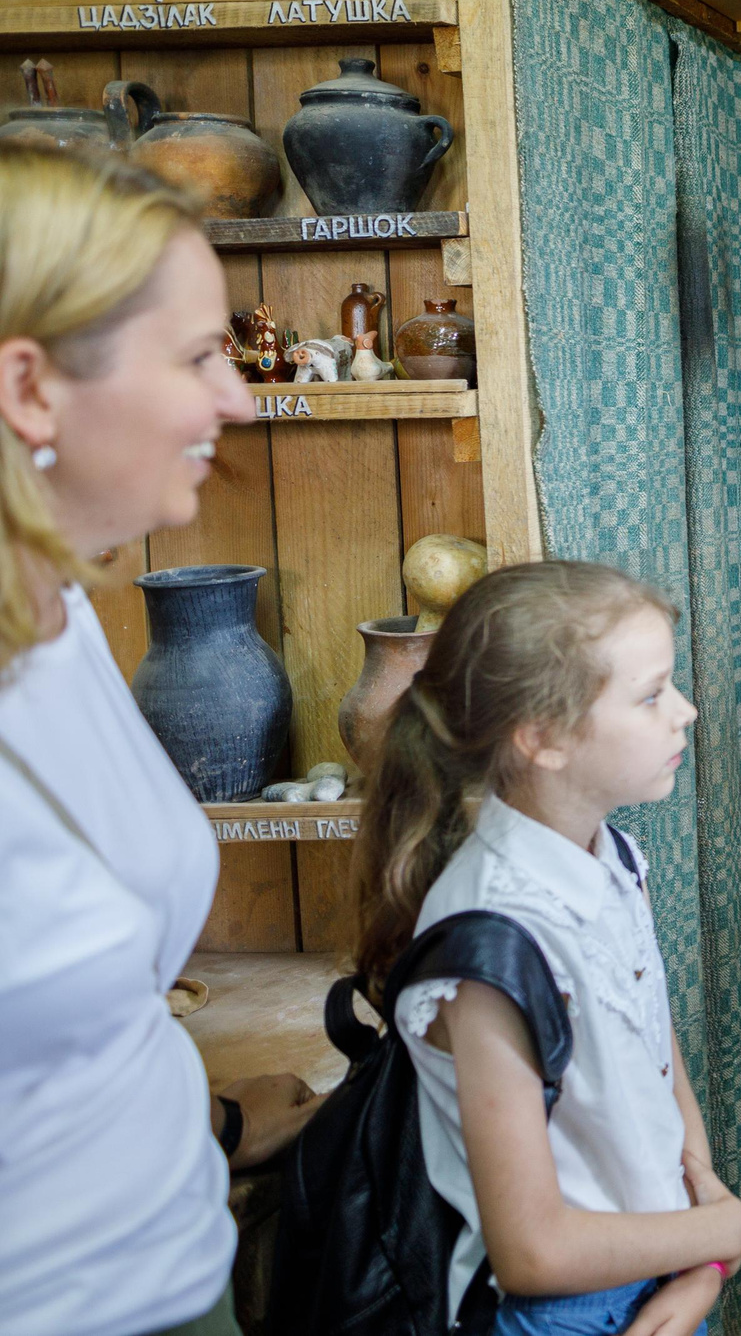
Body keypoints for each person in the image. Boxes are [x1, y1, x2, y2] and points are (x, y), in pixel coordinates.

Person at [0, 144, 320, 1336]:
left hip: (172, 1262)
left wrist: (211, 1125)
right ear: (32, 390)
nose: (237, 398)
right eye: (196, 356)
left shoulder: (65, 612)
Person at [350, 559, 741, 1336]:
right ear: (542, 738)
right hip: (558, 1313)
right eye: (651, 695)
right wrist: (722, 1232)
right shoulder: (493, 943)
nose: (688, 711)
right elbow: (532, 1248)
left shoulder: (614, 860)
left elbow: (656, 1068)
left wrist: (701, 1268)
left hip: (660, 1272)